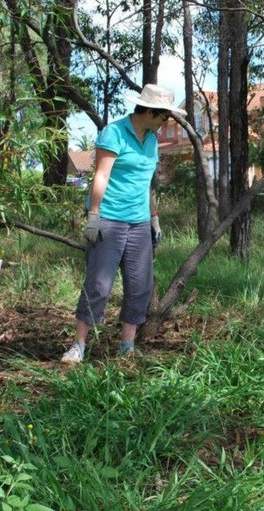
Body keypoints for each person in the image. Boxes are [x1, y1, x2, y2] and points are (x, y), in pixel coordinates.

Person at [61, 84, 185, 364]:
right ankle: (78, 344)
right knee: (99, 285)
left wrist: (154, 219)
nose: (166, 122)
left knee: (139, 286)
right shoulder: (114, 132)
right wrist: (94, 215)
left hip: (139, 223)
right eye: (164, 116)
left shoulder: (151, 140)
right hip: (110, 219)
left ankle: (127, 345)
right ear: (151, 112)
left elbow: (148, 184)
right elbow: (101, 176)